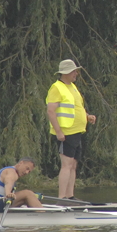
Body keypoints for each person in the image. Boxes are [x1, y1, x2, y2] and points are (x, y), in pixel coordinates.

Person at [46, 59, 96, 200]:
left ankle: (70, 196)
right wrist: (59, 132)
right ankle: (62, 198)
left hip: (77, 131)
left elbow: (76, 107)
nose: (76, 73)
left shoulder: (73, 87)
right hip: (66, 132)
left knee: (73, 164)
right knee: (66, 165)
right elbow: (51, 111)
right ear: (66, 72)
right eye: (74, 71)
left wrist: (87, 116)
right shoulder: (57, 87)